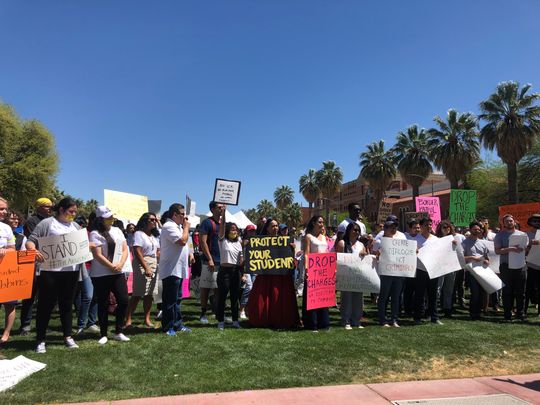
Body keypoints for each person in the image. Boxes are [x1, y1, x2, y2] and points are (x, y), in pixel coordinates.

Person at [26, 197, 83, 353]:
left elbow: (81, 245)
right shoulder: (47, 223)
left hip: (70, 272)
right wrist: (33, 250)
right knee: (45, 305)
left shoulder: (76, 226)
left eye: (75, 212)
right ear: (61, 210)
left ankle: (67, 336)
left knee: (66, 305)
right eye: (71, 211)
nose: (74, 214)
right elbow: (31, 241)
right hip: (49, 272)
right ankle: (40, 339)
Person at [89, 206, 130, 344]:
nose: (112, 220)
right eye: (108, 218)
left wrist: (120, 264)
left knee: (124, 300)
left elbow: (125, 249)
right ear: (101, 219)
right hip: (101, 273)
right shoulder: (95, 233)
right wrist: (111, 266)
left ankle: (118, 330)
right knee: (103, 302)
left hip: (117, 271)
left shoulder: (117, 230)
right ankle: (103, 333)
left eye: (112, 217)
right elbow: (98, 255)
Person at [247, 218, 299, 329]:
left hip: (281, 276)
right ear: (267, 228)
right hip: (266, 275)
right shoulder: (260, 241)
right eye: (273, 226)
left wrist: (292, 249)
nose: (275, 228)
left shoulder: (284, 240)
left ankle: (281, 319)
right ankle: (263, 318)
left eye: (276, 226)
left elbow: (290, 258)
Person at [20, 197, 53, 336]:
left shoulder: (52, 222)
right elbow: (35, 239)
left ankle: (42, 323)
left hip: (47, 260)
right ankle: (25, 325)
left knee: (45, 295)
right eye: (46, 206)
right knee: (30, 294)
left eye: (51, 206)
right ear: (38, 207)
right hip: (34, 260)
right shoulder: (32, 221)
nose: (49, 209)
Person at [159, 203, 191, 335]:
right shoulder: (168, 226)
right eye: (182, 214)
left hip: (178, 268)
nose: (185, 217)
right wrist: (187, 228)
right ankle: (168, 327)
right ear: (174, 215)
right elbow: (182, 241)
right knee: (170, 300)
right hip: (171, 269)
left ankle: (177, 324)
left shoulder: (177, 226)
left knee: (177, 299)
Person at [125, 212, 160, 328]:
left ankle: (147, 319)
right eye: (152, 220)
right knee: (137, 294)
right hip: (142, 262)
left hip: (154, 262)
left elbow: (157, 251)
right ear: (145, 221)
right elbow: (137, 251)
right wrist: (146, 267)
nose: (154, 222)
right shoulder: (139, 234)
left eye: (155, 220)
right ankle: (128, 319)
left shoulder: (154, 236)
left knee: (149, 294)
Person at [371, 218, 406, 327]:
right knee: (384, 296)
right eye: (391, 227)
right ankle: (382, 319)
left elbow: (407, 252)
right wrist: (378, 253)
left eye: (395, 227)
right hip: (385, 273)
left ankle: (394, 319)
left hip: (398, 272)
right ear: (385, 229)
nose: (393, 229)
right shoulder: (379, 241)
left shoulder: (401, 239)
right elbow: (373, 255)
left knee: (396, 297)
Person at [495, 214, 529, 321]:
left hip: (521, 266)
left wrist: (526, 248)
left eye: (511, 221)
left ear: (514, 222)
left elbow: (526, 249)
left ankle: (520, 313)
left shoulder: (523, 234)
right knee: (507, 292)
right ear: (503, 224)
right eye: (506, 221)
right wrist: (510, 249)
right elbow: (497, 251)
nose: (509, 222)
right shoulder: (500, 236)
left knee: (520, 291)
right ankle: (507, 314)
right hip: (506, 266)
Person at [335, 222, 366, 329]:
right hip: (346, 275)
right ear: (348, 231)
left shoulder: (361, 245)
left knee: (358, 298)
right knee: (346, 298)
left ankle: (356, 320)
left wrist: (364, 254)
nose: (356, 232)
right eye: (354, 230)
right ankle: (346, 320)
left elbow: (366, 258)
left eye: (358, 230)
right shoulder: (342, 243)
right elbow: (337, 259)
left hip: (358, 275)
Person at [216, 207, 243, 330]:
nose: (234, 231)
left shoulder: (239, 242)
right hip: (224, 272)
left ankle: (235, 320)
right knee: (222, 296)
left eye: (236, 230)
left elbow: (241, 260)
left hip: (236, 271)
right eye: (232, 229)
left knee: (234, 297)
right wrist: (224, 213)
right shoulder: (222, 240)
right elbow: (221, 226)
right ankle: (220, 320)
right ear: (227, 231)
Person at [302, 215, 330, 331]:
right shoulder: (308, 237)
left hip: (324, 272)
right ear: (313, 223)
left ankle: (323, 323)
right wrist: (307, 270)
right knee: (312, 297)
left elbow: (327, 253)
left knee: (323, 297)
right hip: (313, 271)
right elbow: (306, 254)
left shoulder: (324, 237)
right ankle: (311, 324)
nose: (322, 224)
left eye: (322, 222)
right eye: (319, 222)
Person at [413, 217, 443, 325]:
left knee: (433, 295)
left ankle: (434, 317)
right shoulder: (415, 240)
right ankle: (417, 317)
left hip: (433, 270)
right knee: (419, 295)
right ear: (421, 227)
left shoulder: (436, 239)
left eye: (430, 224)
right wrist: (413, 250)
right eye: (426, 225)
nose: (429, 227)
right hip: (420, 270)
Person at [198, 202, 224, 324]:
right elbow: (202, 243)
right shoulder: (207, 223)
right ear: (212, 209)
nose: (221, 209)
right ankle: (203, 314)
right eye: (219, 207)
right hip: (210, 261)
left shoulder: (223, 224)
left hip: (221, 261)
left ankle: (218, 313)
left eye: (222, 207)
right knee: (206, 288)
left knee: (218, 289)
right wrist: (209, 259)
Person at [462, 221, 490, 320]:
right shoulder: (465, 242)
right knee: (475, 293)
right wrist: (472, 257)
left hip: (482, 271)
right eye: (475, 229)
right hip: (472, 271)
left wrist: (487, 261)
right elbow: (461, 257)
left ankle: (479, 312)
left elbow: (487, 257)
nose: (477, 231)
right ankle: (473, 313)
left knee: (482, 292)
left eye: (478, 229)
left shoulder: (483, 243)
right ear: (470, 230)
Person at [435, 220, 461, 318]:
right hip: (440, 267)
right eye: (444, 228)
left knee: (449, 290)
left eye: (448, 227)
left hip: (451, 267)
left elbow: (459, 253)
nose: (447, 229)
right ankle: (433, 308)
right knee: (438, 289)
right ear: (440, 229)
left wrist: (455, 245)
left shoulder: (454, 239)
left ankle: (447, 309)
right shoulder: (436, 240)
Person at [0, 198, 16, 345]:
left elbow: (12, 248)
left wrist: (6, 251)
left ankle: (6, 333)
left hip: (5, 270)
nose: (5, 212)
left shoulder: (6, 229)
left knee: (9, 304)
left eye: (5, 209)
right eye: (1, 209)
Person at [525, 214, 540, 316]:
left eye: (539, 221)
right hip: (529, 265)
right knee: (527, 288)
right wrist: (530, 244)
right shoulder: (525, 235)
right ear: (530, 222)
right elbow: (522, 250)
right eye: (534, 221)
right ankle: (523, 310)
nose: (537, 223)